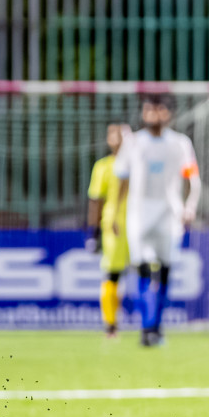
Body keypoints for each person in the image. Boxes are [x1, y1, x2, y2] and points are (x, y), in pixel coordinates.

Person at [113, 95, 201, 348]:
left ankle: (156, 326)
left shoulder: (180, 143)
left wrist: (189, 206)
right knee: (141, 268)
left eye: (158, 109)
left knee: (164, 270)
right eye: (149, 109)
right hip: (138, 214)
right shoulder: (134, 143)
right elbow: (122, 178)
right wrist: (117, 214)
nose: (153, 114)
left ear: (169, 113)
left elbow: (191, 178)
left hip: (169, 215)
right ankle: (146, 327)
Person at [86, 123, 131, 338]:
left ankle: (150, 324)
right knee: (112, 273)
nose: (118, 137)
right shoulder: (103, 166)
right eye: (113, 133)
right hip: (113, 225)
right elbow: (96, 200)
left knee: (147, 273)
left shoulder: (138, 163)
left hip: (140, 224)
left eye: (122, 133)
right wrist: (93, 232)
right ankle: (110, 325)